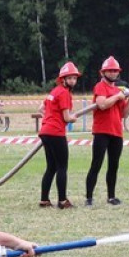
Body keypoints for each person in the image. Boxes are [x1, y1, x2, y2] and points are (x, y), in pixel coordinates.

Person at [85, 56, 129, 206]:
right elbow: (102, 105)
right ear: (103, 72)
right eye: (110, 70)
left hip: (117, 132)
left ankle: (111, 197)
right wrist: (118, 96)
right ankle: (89, 198)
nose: (113, 73)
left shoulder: (118, 90)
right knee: (96, 164)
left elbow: (124, 114)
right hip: (102, 131)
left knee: (114, 165)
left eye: (115, 70)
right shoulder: (100, 87)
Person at [37, 61, 80, 209]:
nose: (73, 81)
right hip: (56, 133)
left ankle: (44, 200)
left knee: (51, 167)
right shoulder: (64, 93)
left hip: (45, 131)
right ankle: (62, 201)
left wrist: (50, 119)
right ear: (63, 79)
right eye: (70, 78)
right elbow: (67, 118)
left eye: (74, 78)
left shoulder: (54, 91)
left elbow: (41, 108)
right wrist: (73, 118)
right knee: (62, 167)